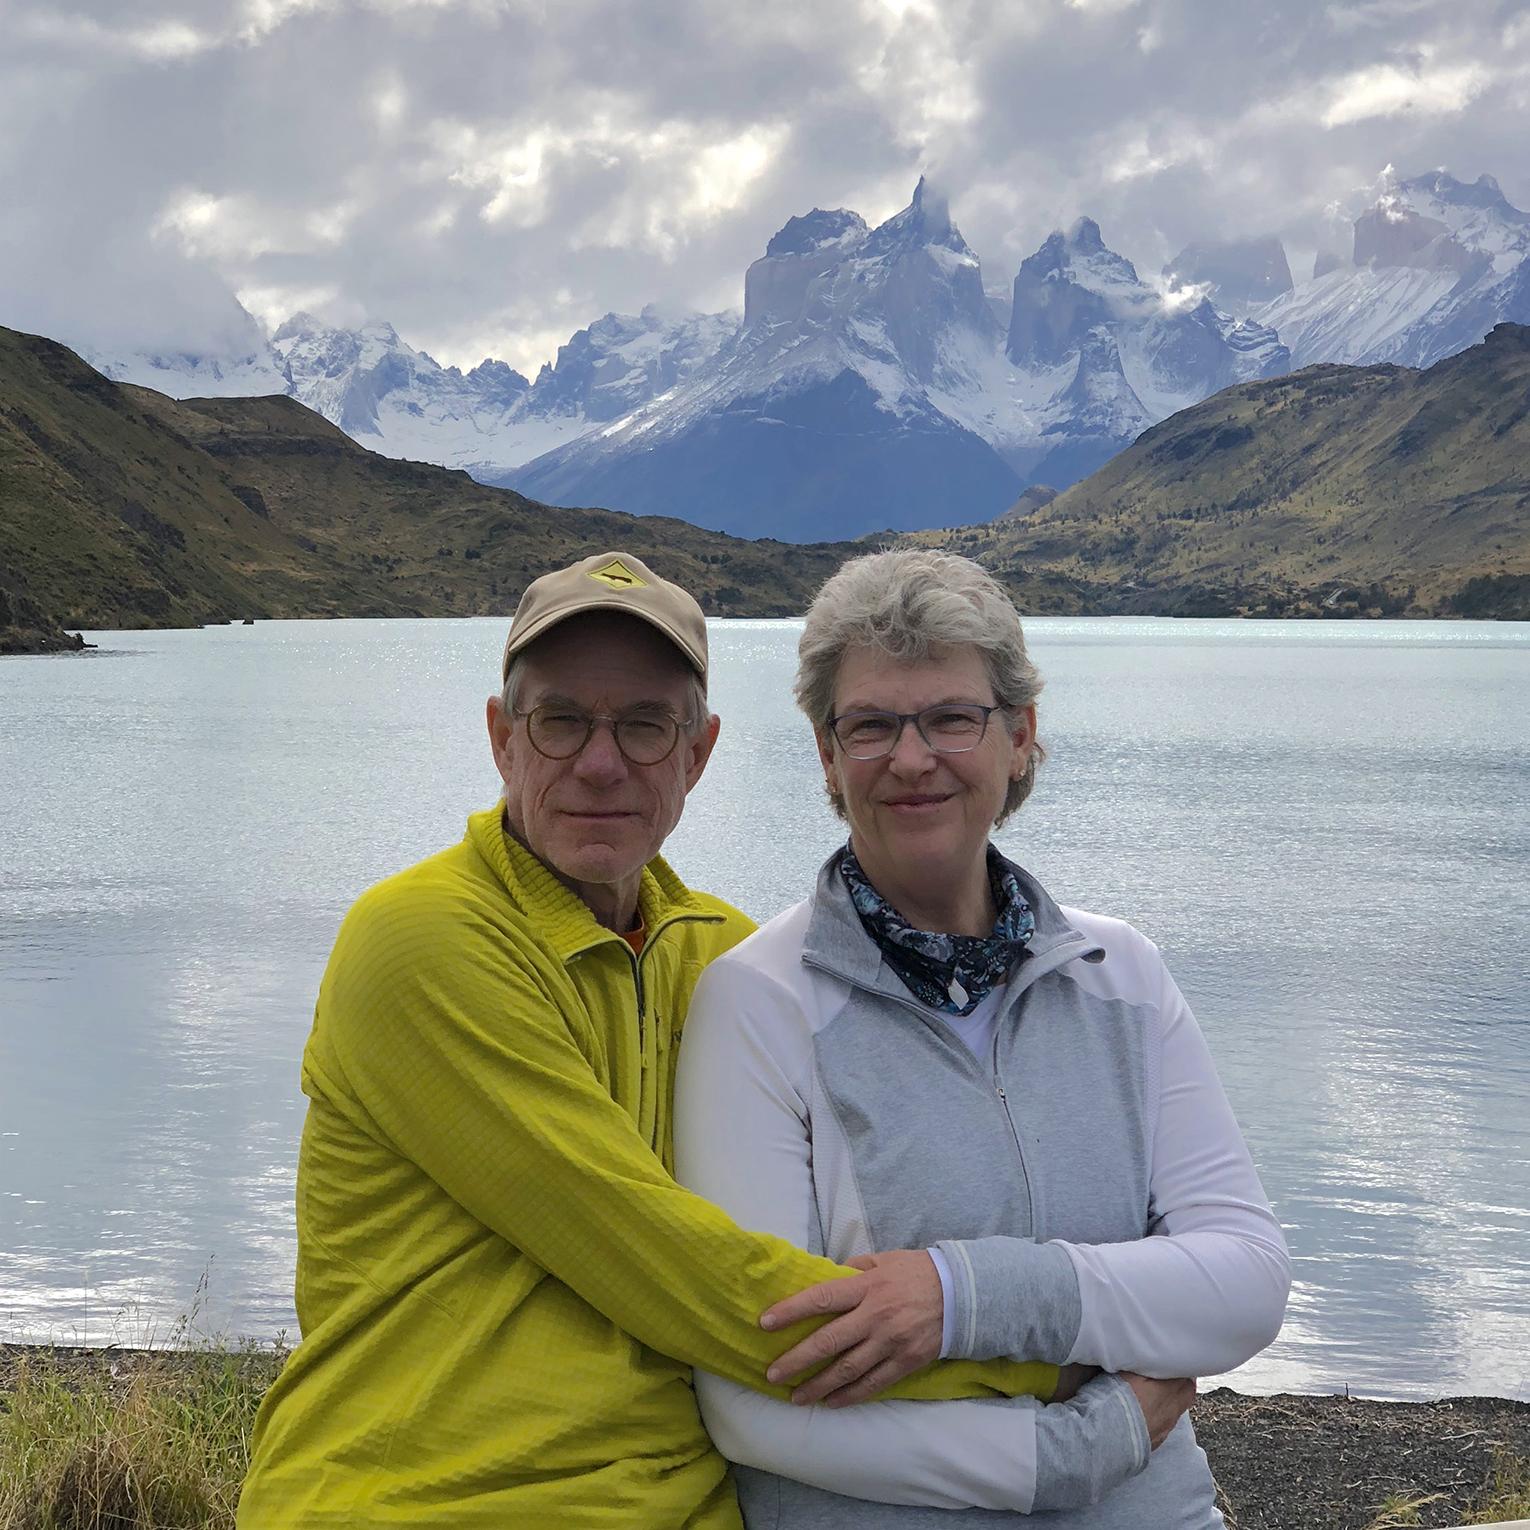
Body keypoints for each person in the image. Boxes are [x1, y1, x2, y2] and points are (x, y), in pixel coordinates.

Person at [236, 550, 1066, 1529]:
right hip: (420, 1498)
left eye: (644, 725)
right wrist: (1050, 1357)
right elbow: (671, 1267)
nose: (600, 763)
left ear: (699, 754)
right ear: (503, 739)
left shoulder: (726, 955)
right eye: (560, 721)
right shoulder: (422, 939)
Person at [674, 548, 1292, 1526]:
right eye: (870, 725)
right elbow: (757, 1398)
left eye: (952, 718)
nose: (912, 758)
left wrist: (961, 1296)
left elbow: (1247, 1282)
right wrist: (1081, 1446)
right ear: (828, 758)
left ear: (1021, 738)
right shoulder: (755, 1005)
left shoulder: (1122, 975)